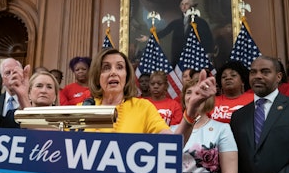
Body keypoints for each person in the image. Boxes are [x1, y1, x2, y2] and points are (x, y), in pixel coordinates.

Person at [84, 48, 216, 140]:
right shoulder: (84, 108)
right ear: (97, 76)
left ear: (126, 75)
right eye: (106, 67)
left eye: (119, 67)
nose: (113, 72)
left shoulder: (143, 108)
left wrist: (191, 110)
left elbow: (173, 144)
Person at [172, 78, 238, 173]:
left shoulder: (222, 129)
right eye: (189, 92)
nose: (193, 95)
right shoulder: (171, 130)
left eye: (199, 91)